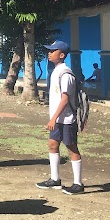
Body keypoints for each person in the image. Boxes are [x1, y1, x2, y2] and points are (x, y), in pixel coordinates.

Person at [36, 40, 84, 195]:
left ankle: (78, 183)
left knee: (71, 148)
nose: (49, 53)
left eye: (53, 51)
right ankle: (55, 179)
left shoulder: (66, 74)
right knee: (52, 145)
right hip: (57, 120)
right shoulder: (56, 71)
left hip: (67, 119)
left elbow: (65, 99)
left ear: (62, 55)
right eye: (49, 51)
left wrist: (53, 118)